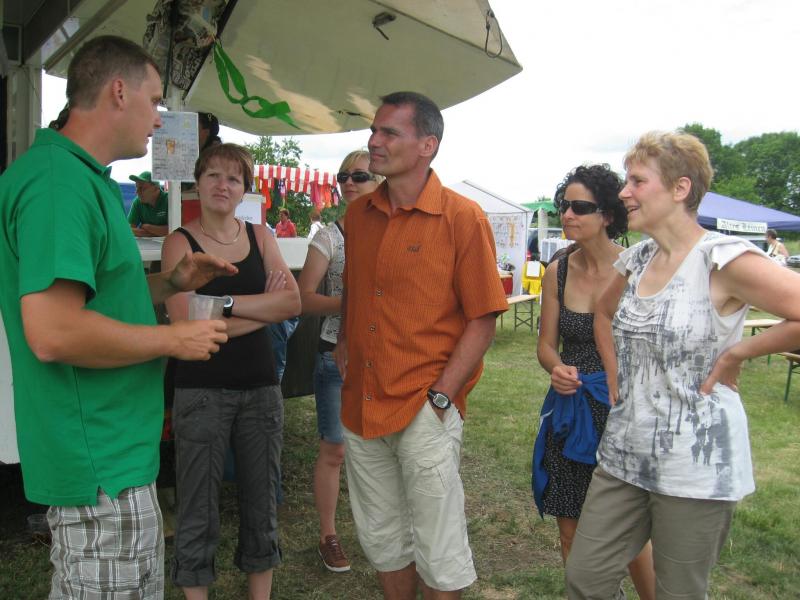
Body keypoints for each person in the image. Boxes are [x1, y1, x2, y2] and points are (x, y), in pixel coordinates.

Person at [0, 35, 235, 598]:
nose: (158, 120)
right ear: (119, 91)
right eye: (154, 102)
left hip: (117, 452)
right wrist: (173, 339)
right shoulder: (58, 184)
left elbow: (95, 299)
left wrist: (171, 283)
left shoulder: (83, 179)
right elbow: (54, 331)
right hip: (97, 461)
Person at [566, 131, 800, 598]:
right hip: (624, 454)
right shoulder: (638, 258)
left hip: (696, 468)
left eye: (637, 181)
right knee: (585, 577)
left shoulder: (722, 259)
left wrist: (737, 352)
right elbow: (603, 314)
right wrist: (614, 375)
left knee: (678, 592)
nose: (624, 192)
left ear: (680, 188)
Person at [334, 91, 508, 599]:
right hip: (361, 402)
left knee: (439, 546)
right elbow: (354, 292)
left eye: (389, 132)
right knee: (382, 538)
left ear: (427, 145)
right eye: (374, 130)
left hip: (423, 405)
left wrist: (442, 395)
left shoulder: (462, 217)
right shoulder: (359, 216)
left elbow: (483, 317)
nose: (374, 141)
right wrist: (343, 344)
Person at [161, 143, 301, 599]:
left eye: (234, 178)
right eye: (214, 176)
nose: (223, 185)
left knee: (262, 505)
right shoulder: (180, 243)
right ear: (198, 183)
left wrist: (220, 304)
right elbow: (185, 321)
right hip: (200, 389)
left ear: (244, 190)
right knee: (197, 507)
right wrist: (263, 311)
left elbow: (292, 302)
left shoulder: (261, 236)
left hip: (261, 388)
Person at [532, 165, 655, 599]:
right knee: (570, 528)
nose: (567, 214)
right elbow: (546, 346)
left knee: (630, 536)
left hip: (623, 410)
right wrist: (556, 368)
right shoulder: (558, 271)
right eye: (564, 205)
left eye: (579, 207)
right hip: (571, 413)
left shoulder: (639, 269)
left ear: (607, 215)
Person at [297, 150, 382, 573]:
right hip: (336, 354)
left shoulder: (395, 231)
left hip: (385, 356)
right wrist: (351, 303)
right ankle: (328, 535)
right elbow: (302, 298)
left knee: (384, 447)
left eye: (359, 176)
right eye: (343, 175)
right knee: (334, 448)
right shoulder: (328, 237)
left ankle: (384, 533)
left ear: (380, 181)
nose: (349, 182)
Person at [128, 170, 169, 237]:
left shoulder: (169, 200)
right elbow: (128, 230)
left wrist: (148, 227)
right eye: (136, 188)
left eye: (142, 188)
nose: (137, 192)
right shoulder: (137, 202)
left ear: (156, 188)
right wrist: (157, 232)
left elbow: (175, 230)